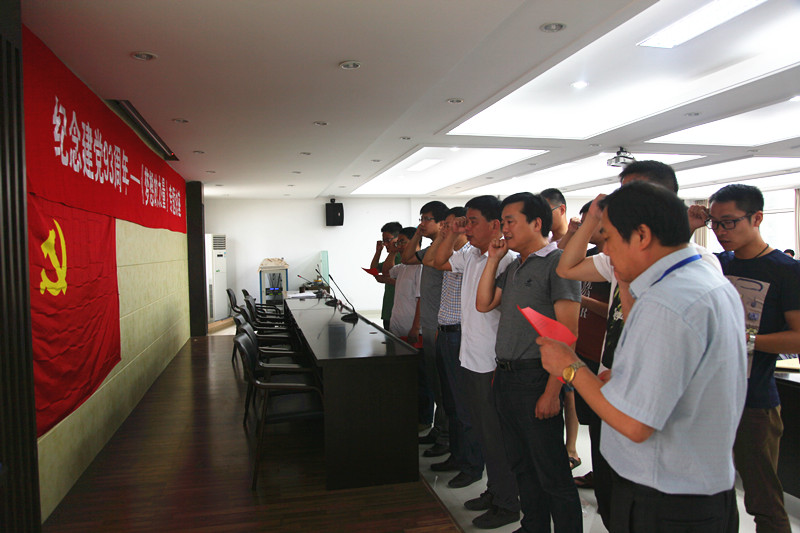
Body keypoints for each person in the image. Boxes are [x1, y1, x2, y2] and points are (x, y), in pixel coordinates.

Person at [539, 181, 747, 533]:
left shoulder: (667, 302)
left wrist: (570, 368)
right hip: (693, 488)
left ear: (642, 235)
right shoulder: (700, 281)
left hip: (665, 497)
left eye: (608, 238)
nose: (606, 251)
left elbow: (635, 424)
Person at [476, 192, 582, 533]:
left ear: (537, 223)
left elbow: (568, 334)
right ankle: (533, 526)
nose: (504, 228)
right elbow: (484, 303)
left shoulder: (558, 264)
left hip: (536, 378)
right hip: (506, 377)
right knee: (522, 465)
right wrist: (493, 259)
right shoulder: (514, 265)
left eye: (510, 221)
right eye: (503, 222)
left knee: (552, 472)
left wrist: (552, 391)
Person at [705, 184, 800, 533]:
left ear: (757, 218)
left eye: (729, 222)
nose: (720, 231)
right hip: (709, 397)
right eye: (714, 223)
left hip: (754, 401)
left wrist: (746, 339)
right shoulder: (716, 263)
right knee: (710, 492)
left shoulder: (786, 270)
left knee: (763, 499)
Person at [430, 195, 521, 530]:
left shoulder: (506, 260)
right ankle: (495, 490)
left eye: (472, 222)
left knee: (496, 436)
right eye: (465, 221)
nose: (466, 228)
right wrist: (450, 233)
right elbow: (438, 261)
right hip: (469, 356)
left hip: (491, 361)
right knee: (482, 431)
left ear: (495, 225)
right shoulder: (470, 254)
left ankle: (507, 503)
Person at [421, 206, 482, 489]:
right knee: (451, 402)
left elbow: (435, 261)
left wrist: (450, 234)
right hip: (445, 333)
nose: (446, 229)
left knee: (463, 405)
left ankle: (471, 464)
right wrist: (445, 236)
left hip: (460, 334)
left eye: (450, 224)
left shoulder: (470, 254)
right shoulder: (454, 253)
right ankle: (457, 456)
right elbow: (431, 260)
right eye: (444, 225)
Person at [557, 200, 610, 490]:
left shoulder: (614, 263)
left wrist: (582, 300)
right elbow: (561, 263)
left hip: (604, 356)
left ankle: (605, 481)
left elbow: (613, 310)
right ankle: (599, 475)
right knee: (593, 422)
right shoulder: (590, 258)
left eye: (594, 219)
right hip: (583, 351)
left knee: (605, 425)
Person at [402, 201, 451, 455]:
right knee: (435, 383)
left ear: (442, 223)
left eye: (426, 219)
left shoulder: (447, 250)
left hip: (441, 327)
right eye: (420, 218)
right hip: (430, 326)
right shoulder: (430, 249)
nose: (422, 223)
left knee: (444, 386)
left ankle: (446, 437)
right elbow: (407, 258)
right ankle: (438, 430)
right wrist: (417, 235)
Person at [541, 188, 581, 471]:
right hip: (547, 330)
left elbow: (561, 261)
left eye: (546, 211)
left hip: (568, 330)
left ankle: (572, 447)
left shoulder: (575, 240)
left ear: (562, 210)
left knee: (570, 391)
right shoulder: (547, 241)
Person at [388, 227, 422, 344]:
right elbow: (387, 271)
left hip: (412, 330)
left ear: (415, 242)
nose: (399, 246)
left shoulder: (421, 267)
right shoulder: (403, 266)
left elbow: (422, 300)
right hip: (397, 328)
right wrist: (392, 252)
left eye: (402, 242)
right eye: (398, 243)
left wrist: (415, 328)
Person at [370, 221, 402, 329]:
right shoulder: (391, 258)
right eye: (384, 241)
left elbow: (388, 272)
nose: (386, 244)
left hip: (400, 313)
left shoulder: (403, 258)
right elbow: (374, 270)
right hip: (388, 311)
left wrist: (387, 280)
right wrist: (378, 251)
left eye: (388, 240)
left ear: (398, 239)